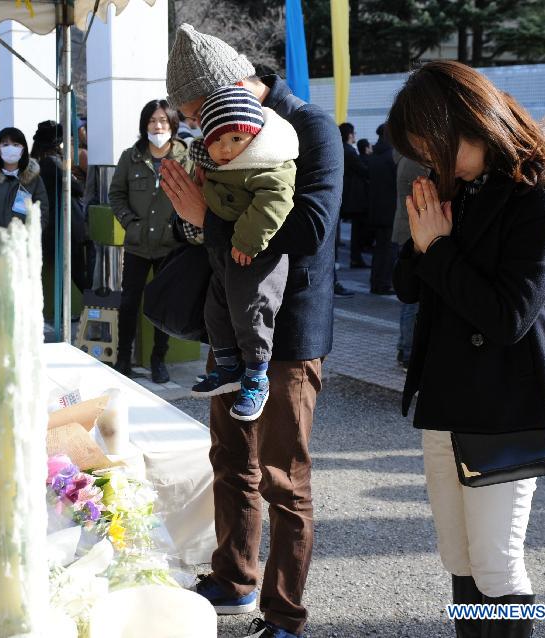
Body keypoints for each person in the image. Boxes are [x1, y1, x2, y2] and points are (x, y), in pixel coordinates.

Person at [160, 24, 342, 638]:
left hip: (287, 330)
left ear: (233, 86)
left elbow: (310, 227)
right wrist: (193, 217)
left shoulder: (308, 126)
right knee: (230, 459)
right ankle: (233, 578)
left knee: (284, 478)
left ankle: (285, 613)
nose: (194, 125)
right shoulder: (217, 137)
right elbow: (208, 235)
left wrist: (206, 216)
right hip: (230, 328)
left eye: (194, 111)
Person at [389, 61, 545, 638]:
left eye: (430, 146)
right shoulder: (457, 189)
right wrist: (422, 245)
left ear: (466, 124)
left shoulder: (542, 200)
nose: (428, 162)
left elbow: (507, 318)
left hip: (505, 409)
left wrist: (437, 246)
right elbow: (407, 288)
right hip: (445, 402)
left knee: (497, 564)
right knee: (460, 560)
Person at [187, 85, 297, 421]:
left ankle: (256, 377)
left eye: (236, 138)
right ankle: (227, 366)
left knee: (252, 313)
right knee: (216, 310)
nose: (226, 148)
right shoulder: (216, 164)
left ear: (255, 135)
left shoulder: (268, 161)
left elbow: (276, 200)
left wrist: (247, 241)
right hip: (224, 255)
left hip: (256, 256)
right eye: (217, 140)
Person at [108, 100, 190, 383]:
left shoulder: (185, 157)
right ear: (145, 125)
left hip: (170, 246)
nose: (158, 126)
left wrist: (177, 229)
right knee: (129, 302)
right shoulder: (130, 157)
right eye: (153, 121)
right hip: (137, 246)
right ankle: (122, 358)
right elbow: (116, 195)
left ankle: (159, 359)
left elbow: (197, 196)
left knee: (163, 305)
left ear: (173, 125)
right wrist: (130, 224)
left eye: (164, 121)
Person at [33, 120, 91, 295]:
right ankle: (94, 310)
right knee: (80, 273)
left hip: (51, 225)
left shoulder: (36, 164)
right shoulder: (54, 162)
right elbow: (79, 189)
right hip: (68, 224)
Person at [391, 155, 429, 368]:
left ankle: (405, 349)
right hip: (411, 233)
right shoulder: (415, 161)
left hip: (408, 231)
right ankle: (406, 350)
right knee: (411, 300)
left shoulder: (406, 158)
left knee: (411, 300)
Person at [0, 127, 48, 232]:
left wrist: (27, 234)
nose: (10, 148)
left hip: (23, 245)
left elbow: (42, 212)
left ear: (23, 149)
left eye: (16, 145)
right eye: (5, 145)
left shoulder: (34, 180)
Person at [367, 124, 397, 295]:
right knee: (388, 250)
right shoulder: (391, 157)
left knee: (379, 249)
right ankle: (384, 283)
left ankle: (375, 282)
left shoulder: (374, 156)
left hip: (375, 208)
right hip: (390, 210)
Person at [339, 122, 370, 268]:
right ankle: (355, 258)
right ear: (350, 135)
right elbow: (363, 170)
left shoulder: (340, 149)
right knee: (357, 230)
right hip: (352, 197)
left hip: (344, 195)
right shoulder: (350, 152)